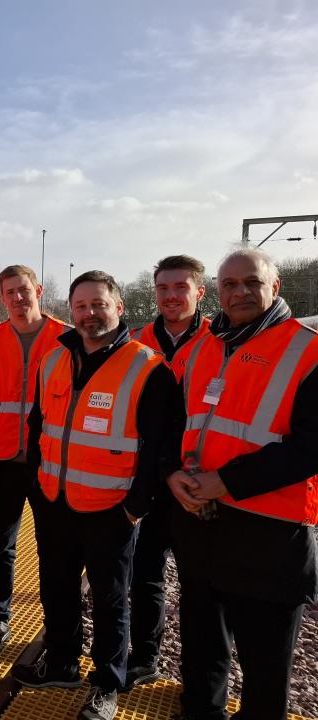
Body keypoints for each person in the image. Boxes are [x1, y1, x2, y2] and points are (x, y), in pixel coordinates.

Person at [13, 270, 181, 720]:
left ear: (119, 306)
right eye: (81, 306)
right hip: (55, 502)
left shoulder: (148, 367)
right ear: (71, 310)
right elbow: (38, 426)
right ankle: (63, 663)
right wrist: (37, 485)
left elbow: (160, 447)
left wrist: (135, 507)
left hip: (112, 509)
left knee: (109, 603)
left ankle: (108, 682)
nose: (89, 314)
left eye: (98, 304)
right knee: (56, 589)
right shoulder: (53, 359)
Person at [167, 248, 318, 720]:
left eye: (251, 282)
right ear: (218, 291)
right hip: (202, 522)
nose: (240, 292)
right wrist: (173, 473)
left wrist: (223, 482)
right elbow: (179, 424)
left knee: (265, 665)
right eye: (229, 284)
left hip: (271, 533)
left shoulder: (308, 349)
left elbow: (310, 448)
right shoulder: (202, 348)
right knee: (202, 646)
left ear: (275, 287)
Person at [0, 265, 67, 656]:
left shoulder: (66, 338)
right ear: (2, 297)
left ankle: (54, 625)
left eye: (24, 290)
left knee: (52, 546)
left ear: (38, 290)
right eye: (10, 292)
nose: (18, 298)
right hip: (0, 460)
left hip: (49, 461)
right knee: (2, 546)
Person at [124, 255, 210, 691]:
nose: (172, 296)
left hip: (201, 482)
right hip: (151, 479)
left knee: (203, 586)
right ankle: (145, 657)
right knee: (145, 575)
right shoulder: (137, 341)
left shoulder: (222, 341)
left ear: (200, 291)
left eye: (181, 287)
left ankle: (202, 683)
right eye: (163, 289)